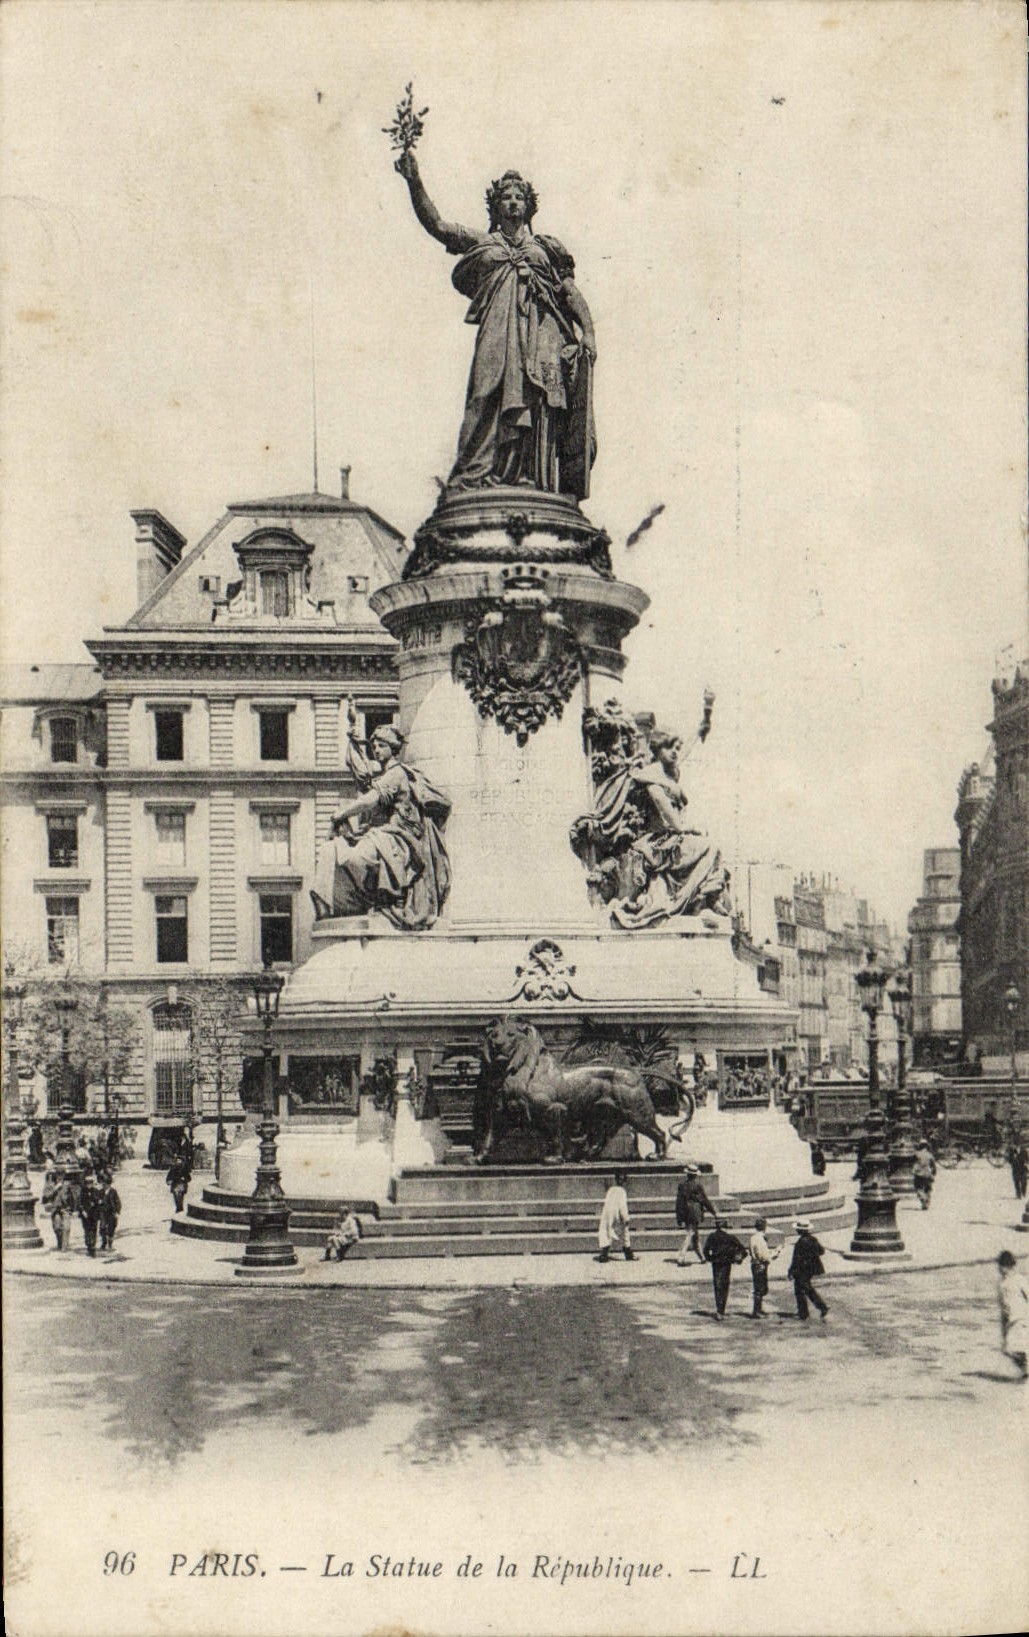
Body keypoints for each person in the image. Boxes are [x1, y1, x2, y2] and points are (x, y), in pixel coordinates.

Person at [396, 151, 597, 498]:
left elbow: (568, 293)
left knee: (536, 405)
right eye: (506, 196)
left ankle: (527, 479)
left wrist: (589, 329)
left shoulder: (545, 249)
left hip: (538, 340)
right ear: (495, 204)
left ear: (529, 205)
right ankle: (473, 476)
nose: (513, 202)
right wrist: (414, 182)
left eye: (519, 197)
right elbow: (438, 226)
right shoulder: (484, 242)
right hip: (496, 332)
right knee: (484, 393)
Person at [311, 727, 451, 931]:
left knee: (359, 856)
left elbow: (370, 800)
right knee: (331, 850)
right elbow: (363, 778)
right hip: (382, 833)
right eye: (374, 745)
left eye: (382, 745)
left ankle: (380, 899)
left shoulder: (397, 773)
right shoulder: (382, 776)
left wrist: (342, 814)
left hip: (400, 836)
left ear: (393, 749)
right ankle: (342, 903)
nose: (376, 749)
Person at [703, 1217, 748, 1319]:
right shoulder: (730, 1237)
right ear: (725, 1226)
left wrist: (711, 1259)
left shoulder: (712, 1236)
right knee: (724, 1286)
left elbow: (705, 1251)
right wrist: (737, 1259)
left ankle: (719, 1310)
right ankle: (722, 1310)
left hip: (716, 1264)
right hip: (727, 1264)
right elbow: (743, 1250)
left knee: (717, 1286)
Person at [996, 1250, 1028, 1382]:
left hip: (1022, 1318)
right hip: (1010, 1321)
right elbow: (1003, 1308)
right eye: (1001, 1267)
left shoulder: (1020, 1280)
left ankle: (1026, 1369)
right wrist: (1003, 1328)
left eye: (1004, 1267)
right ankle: (1026, 1369)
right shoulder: (1001, 1284)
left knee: (1013, 1347)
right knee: (1007, 1349)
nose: (1002, 1270)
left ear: (1010, 1266)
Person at [675, 1163, 716, 1265]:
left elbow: (679, 1202)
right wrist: (713, 1211)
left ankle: (702, 1257)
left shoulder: (682, 1185)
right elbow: (704, 1200)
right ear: (695, 1175)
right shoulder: (698, 1186)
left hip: (686, 1211)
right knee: (691, 1233)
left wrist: (679, 1217)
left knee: (695, 1235)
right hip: (695, 1212)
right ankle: (681, 1257)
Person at [787, 1220, 828, 1321]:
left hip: (801, 1270)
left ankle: (805, 1312)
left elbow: (796, 1259)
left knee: (800, 1290)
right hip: (811, 1269)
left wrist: (791, 1271)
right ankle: (820, 1306)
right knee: (807, 1288)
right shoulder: (813, 1239)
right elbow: (821, 1251)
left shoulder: (800, 1243)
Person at [598, 1171, 634, 1263]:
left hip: (607, 1213)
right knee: (625, 1231)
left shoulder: (611, 1190)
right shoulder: (622, 1191)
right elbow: (622, 1206)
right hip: (616, 1213)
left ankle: (604, 1254)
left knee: (606, 1231)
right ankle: (628, 1253)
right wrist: (625, 1217)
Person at [748, 1216, 781, 1318]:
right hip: (761, 1265)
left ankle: (758, 1309)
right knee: (760, 1288)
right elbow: (764, 1256)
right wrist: (776, 1252)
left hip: (755, 1264)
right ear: (764, 1227)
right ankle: (756, 1311)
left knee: (759, 1287)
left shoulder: (753, 1238)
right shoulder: (761, 1239)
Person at [79, 1172, 103, 1257]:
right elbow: (80, 1203)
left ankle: (93, 1246)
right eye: (87, 1183)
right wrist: (83, 1211)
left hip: (94, 1214)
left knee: (94, 1230)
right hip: (85, 1215)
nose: (89, 1185)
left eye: (90, 1183)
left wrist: (97, 1202)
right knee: (87, 1230)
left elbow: (99, 1201)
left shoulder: (96, 1191)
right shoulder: (83, 1192)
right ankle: (88, 1244)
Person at [97, 1175, 122, 1251]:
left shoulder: (113, 1192)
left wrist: (117, 1211)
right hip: (103, 1213)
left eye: (107, 1184)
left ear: (109, 1184)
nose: (105, 1185)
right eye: (104, 1184)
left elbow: (118, 1202)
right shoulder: (100, 1192)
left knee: (111, 1228)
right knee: (102, 1228)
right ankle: (104, 1242)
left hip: (111, 1212)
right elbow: (96, 1201)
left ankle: (110, 1243)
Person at [913, 1142, 936, 1210]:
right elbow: (933, 1166)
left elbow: (912, 1162)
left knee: (918, 1188)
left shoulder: (917, 1154)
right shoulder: (930, 1155)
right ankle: (926, 1203)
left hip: (918, 1174)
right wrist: (933, 1173)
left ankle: (923, 1199)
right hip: (928, 1174)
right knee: (928, 1189)